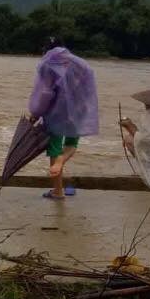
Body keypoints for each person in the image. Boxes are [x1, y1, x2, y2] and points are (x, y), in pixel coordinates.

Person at [27, 37, 99, 200]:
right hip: (79, 110)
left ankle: (58, 191)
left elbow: (44, 93)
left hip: (56, 113)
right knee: (72, 144)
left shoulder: (48, 64)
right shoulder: (82, 64)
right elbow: (89, 89)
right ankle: (62, 160)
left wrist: (35, 113)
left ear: (47, 49)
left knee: (54, 149)